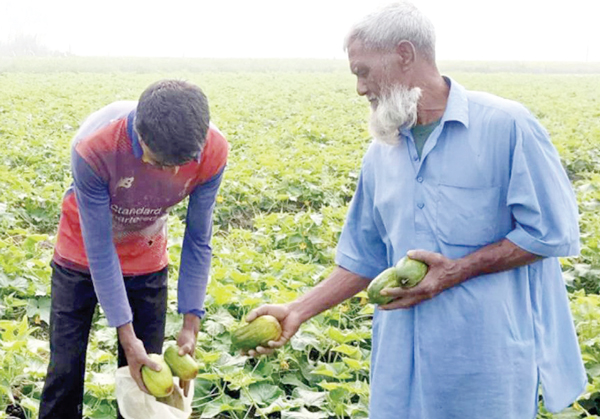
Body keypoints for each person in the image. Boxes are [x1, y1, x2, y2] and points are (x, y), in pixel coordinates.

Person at [245, 3, 586, 418]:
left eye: (363, 71)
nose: (360, 88)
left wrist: (458, 270)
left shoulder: (506, 125)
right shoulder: (381, 152)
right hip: (400, 363)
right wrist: (296, 310)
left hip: (486, 362)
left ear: (404, 55)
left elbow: (552, 232)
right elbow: (364, 257)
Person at [39, 79, 228, 419]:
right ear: (140, 138)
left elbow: (199, 238)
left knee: (146, 379)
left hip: (147, 255)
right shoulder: (95, 147)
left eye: (181, 164)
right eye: (159, 163)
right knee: (65, 370)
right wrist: (124, 333)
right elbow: (99, 247)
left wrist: (190, 322)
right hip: (80, 254)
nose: (171, 173)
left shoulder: (213, 150)